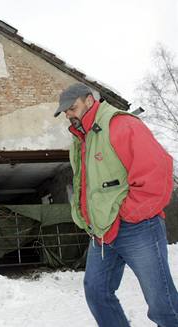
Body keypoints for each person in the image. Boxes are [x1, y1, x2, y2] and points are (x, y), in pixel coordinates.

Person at [54, 83, 178, 327]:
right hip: (102, 232)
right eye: (65, 111)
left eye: (72, 107)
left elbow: (157, 171)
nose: (68, 114)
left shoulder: (121, 125)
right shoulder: (82, 140)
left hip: (137, 227)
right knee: (97, 292)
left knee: (161, 303)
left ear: (90, 101)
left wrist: (127, 213)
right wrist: (86, 217)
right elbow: (86, 186)